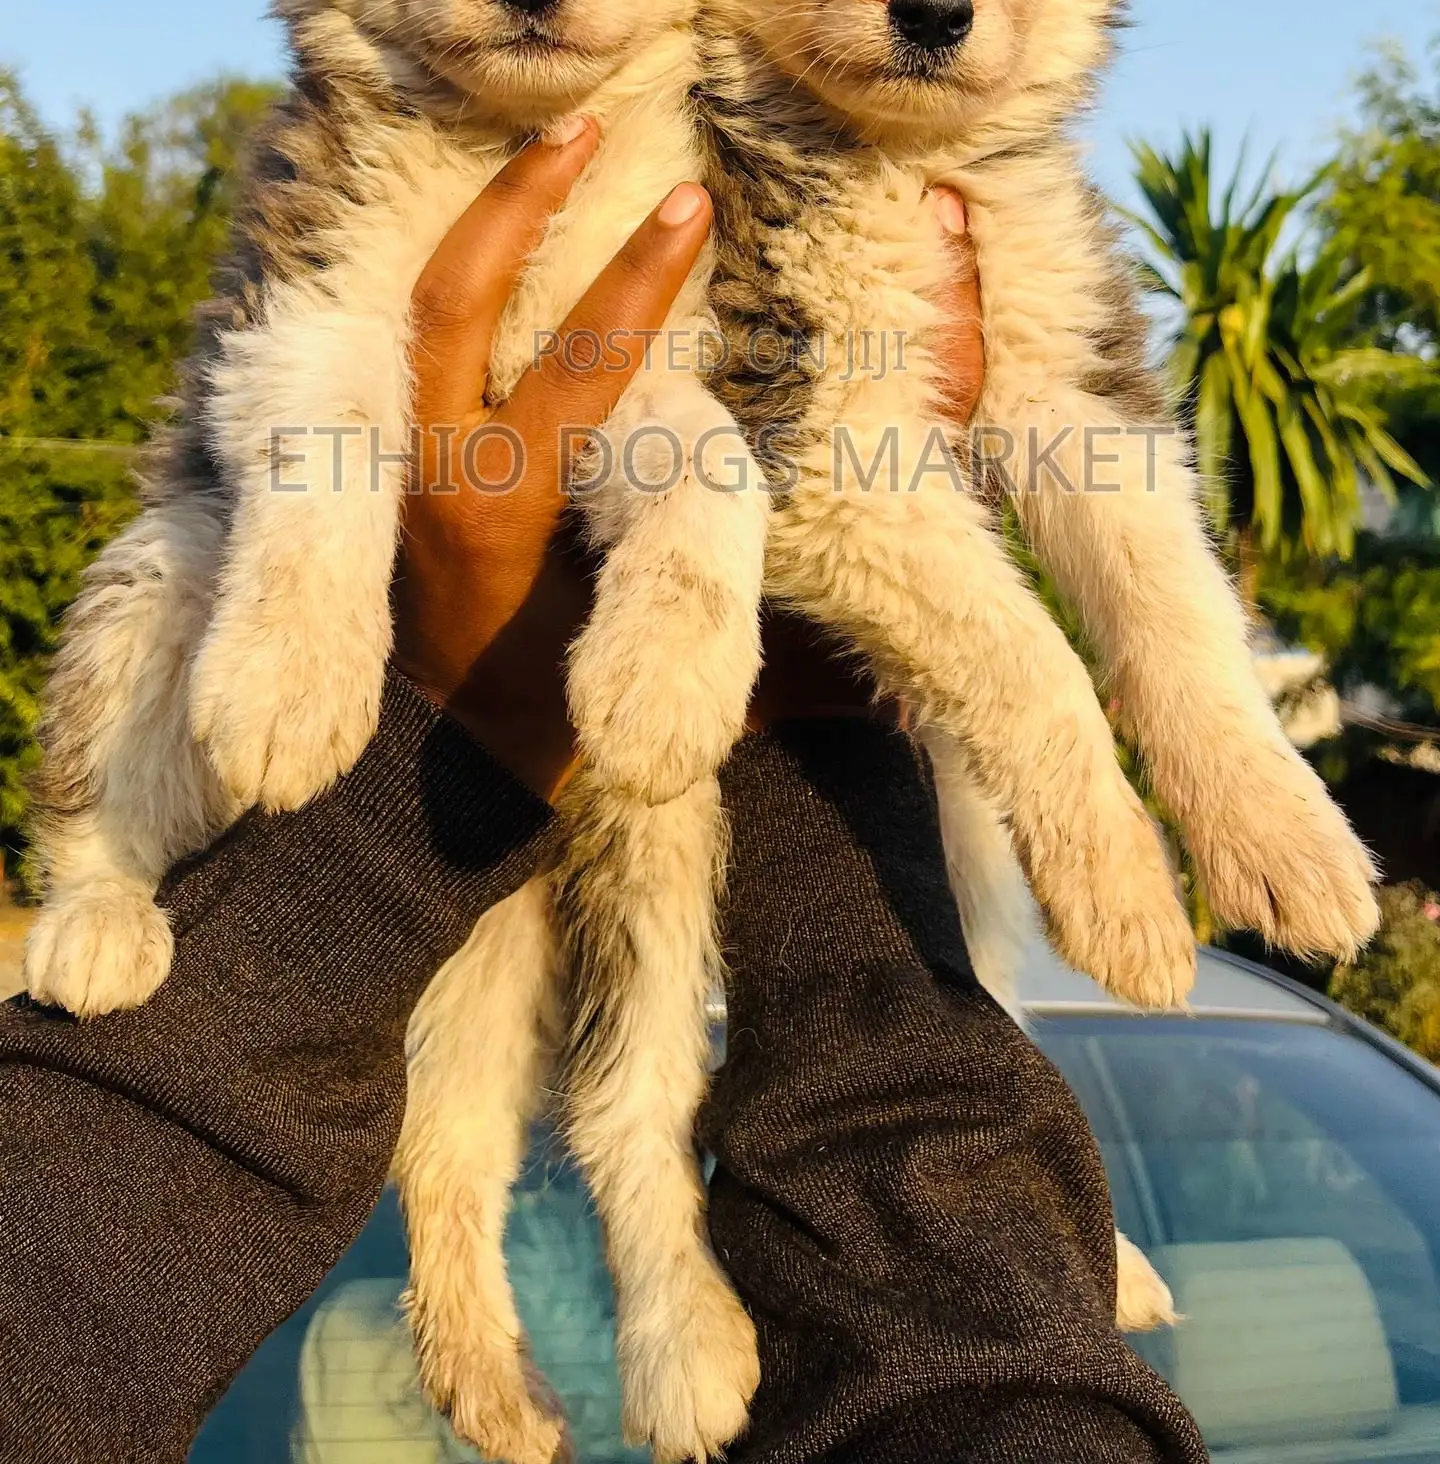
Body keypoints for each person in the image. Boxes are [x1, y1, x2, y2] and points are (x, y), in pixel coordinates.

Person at [0, 126, 1206, 1464]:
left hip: (618, 671)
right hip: (515, 666)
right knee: (546, 925)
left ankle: (647, 1262)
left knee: (666, 882)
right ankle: (487, 1277)